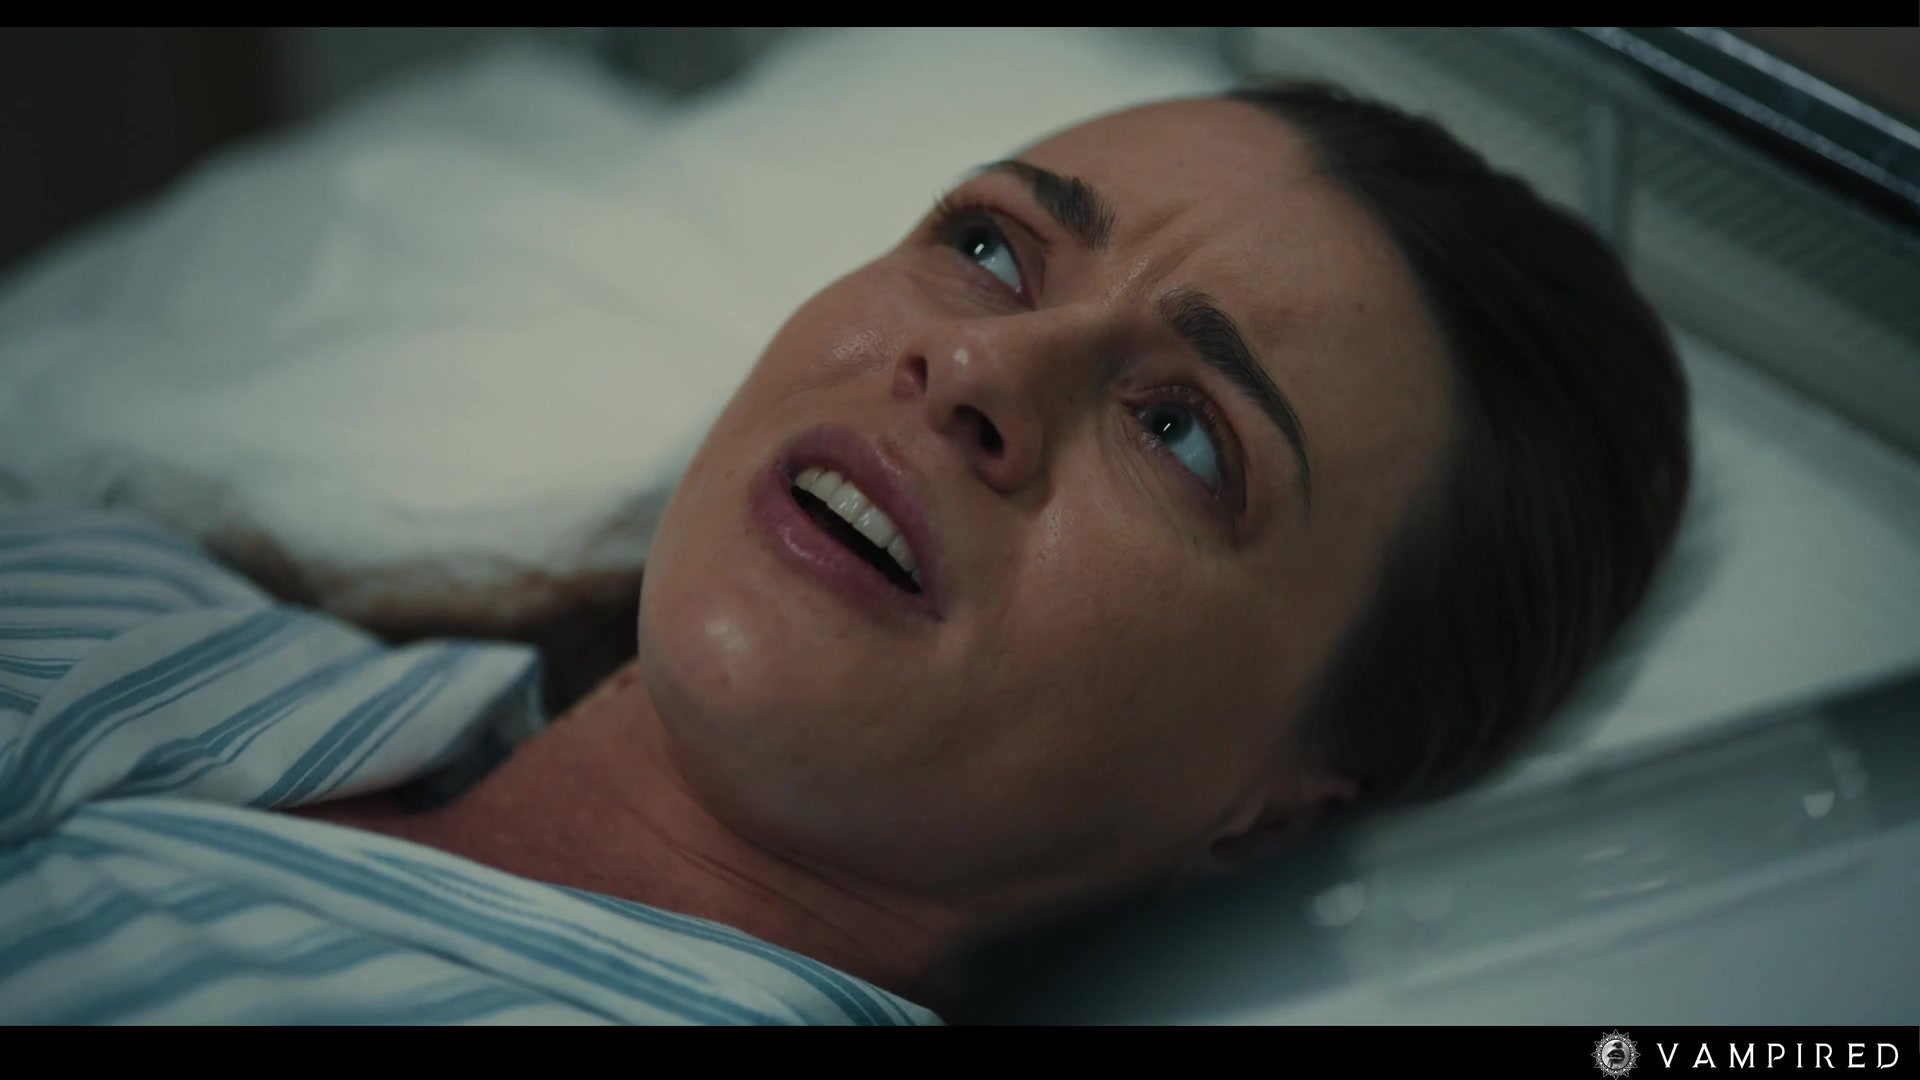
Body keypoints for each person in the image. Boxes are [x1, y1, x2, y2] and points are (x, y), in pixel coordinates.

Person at [0, 80, 1689, 1025]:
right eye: (993, 250)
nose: (979, 368)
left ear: (1273, 809)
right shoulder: (124, 601)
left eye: (1185, 434)